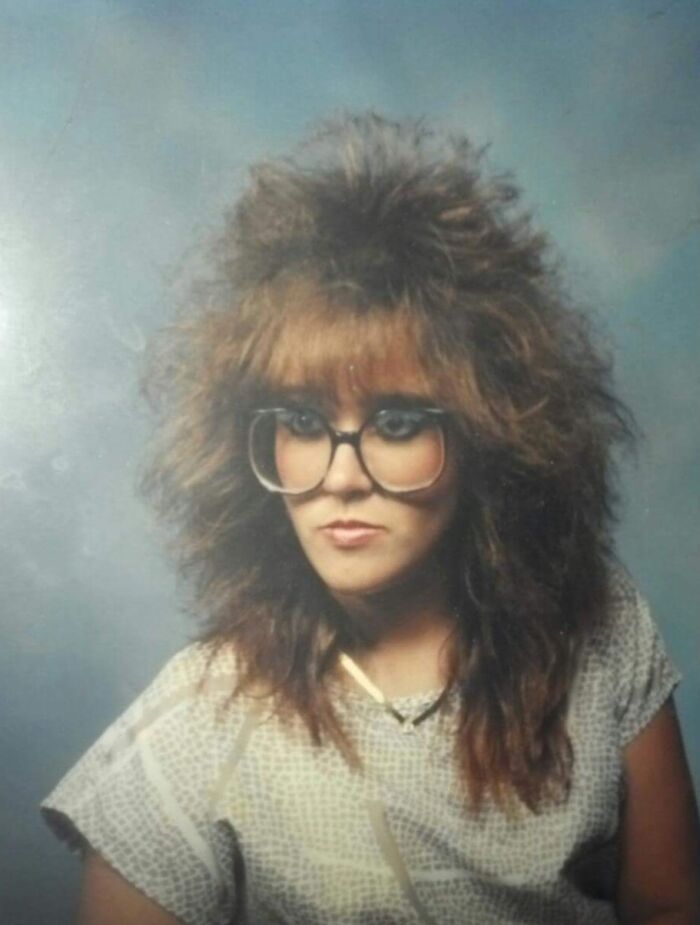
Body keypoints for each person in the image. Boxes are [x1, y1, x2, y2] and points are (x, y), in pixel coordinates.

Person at [42, 113, 700, 925]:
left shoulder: (601, 625)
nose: (342, 477)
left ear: (489, 433)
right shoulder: (199, 721)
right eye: (303, 421)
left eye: (396, 421)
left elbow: (667, 907)